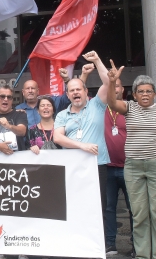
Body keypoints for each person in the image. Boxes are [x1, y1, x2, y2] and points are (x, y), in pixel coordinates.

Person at [106, 64, 156, 259]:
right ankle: (142, 255)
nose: (145, 94)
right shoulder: (129, 107)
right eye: (140, 91)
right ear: (134, 95)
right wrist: (112, 81)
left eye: (149, 91)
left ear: (155, 94)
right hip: (134, 167)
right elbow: (112, 103)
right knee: (139, 215)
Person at [53, 51, 111, 251]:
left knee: (97, 209)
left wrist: (97, 60)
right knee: (74, 208)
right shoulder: (62, 114)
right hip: (73, 168)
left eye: (79, 89)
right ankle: (76, 247)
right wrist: (82, 146)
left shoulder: (97, 105)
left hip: (97, 166)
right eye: (72, 90)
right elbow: (57, 137)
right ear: (67, 94)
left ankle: (96, 249)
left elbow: (108, 83)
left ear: (86, 91)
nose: (76, 93)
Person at [101, 68, 133, 256]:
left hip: (130, 168)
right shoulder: (99, 109)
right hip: (108, 168)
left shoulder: (130, 108)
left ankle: (136, 244)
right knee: (108, 208)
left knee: (133, 208)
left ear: (123, 89)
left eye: (118, 85)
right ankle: (110, 244)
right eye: (112, 85)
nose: (115, 88)